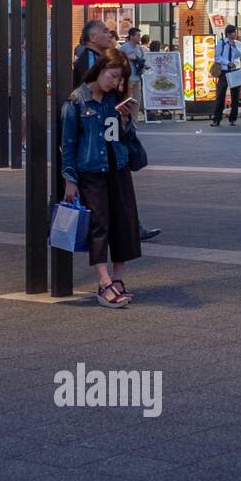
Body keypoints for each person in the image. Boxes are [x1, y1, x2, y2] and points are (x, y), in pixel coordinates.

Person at [61, 48, 143, 308]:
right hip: (91, 172)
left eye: (120, 79)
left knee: (124, 222)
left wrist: (127, 120)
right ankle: (103, 282)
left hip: (116, 167)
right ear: (101, 68)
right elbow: (68, 144)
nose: (116, 83)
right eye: (114, 76)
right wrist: (70, 179)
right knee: (99, 225)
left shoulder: (113, 101)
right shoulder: (77, 101)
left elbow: (118, 137)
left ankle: (118, 279)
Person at [73, 19, 161, 241]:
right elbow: (88, 95)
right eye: (104, 31)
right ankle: (127, 228)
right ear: (93, 38)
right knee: (109, 183)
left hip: (104, 131)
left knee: (111, 185)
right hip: (98, 133)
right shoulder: (88, 60)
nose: (109, 33)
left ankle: (129, 226)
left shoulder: (98, 58)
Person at [211, 24, 241, 127]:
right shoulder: (221, 43)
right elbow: (217, 57)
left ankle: (233, 119)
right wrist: (227, 62)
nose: (234, 35)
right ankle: (216, 119)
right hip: (224, 71)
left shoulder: (238, 44)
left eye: (235, 33)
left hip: (236, 71)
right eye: (232, 33)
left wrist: (235, 47)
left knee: (235, 96)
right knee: (220, 95)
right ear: (228, 34)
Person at [118, 27, 148, 116]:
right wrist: (127, 57)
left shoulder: (140, 49)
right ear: (131, 36)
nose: (139, 37)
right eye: (138, 35)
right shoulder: (123, 48)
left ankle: (134, 121)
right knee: (128, 100)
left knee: (137, 100)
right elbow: (117, 60)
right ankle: (126, 119)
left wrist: (144, 66)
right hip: (128, 78)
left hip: (137, 77)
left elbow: (142, 61)